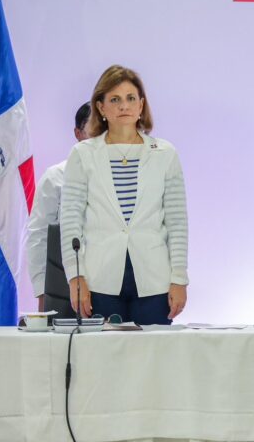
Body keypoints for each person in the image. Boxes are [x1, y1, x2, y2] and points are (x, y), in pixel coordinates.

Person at [60, 65, 188, 324]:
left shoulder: (165, 153)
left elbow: (177, 222)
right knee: (103, 361)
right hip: (99, 280)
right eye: (114, 100)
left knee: (152, 360)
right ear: (100, 107)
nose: (124, 106)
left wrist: (179, 278)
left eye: (131, 98)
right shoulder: (83, 154)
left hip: (154, 280)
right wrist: (76, 276)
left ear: (141, 105)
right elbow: (71, 220)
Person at [24, 102, 91, 318]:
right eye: (95, 128)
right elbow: (38, 236)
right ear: (78, 133)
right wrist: (43, 291)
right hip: (63, 286)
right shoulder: (56, 177)